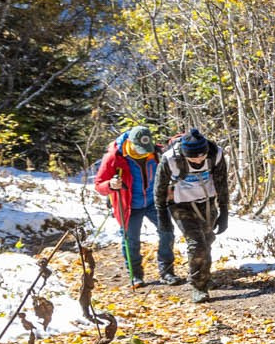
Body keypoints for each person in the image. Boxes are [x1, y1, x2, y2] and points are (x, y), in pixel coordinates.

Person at [155, 128, 231, 304]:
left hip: (206, 203)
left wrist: (224, 211)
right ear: (184, 153)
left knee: (207, 239)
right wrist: (162, 217)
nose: (199, 159)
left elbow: (221, 183)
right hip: (181, 205)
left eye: (201, 155)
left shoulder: (215, 154)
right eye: (194, 157)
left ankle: (204, 275)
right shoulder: (170, 159)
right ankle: (198, 287)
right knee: (197, 244)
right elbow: (159, 189)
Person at [95, 125, 176, 288]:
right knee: (131, 240)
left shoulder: (156, 153)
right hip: (129, 206)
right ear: (130, 143)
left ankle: (167, 271)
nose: (142, 152)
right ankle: (136, 275)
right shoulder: (114, 157)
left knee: (167, 232)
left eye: (145, 149)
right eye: (139, 149)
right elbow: (99, 185)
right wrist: (110, 184)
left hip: (154, 202)